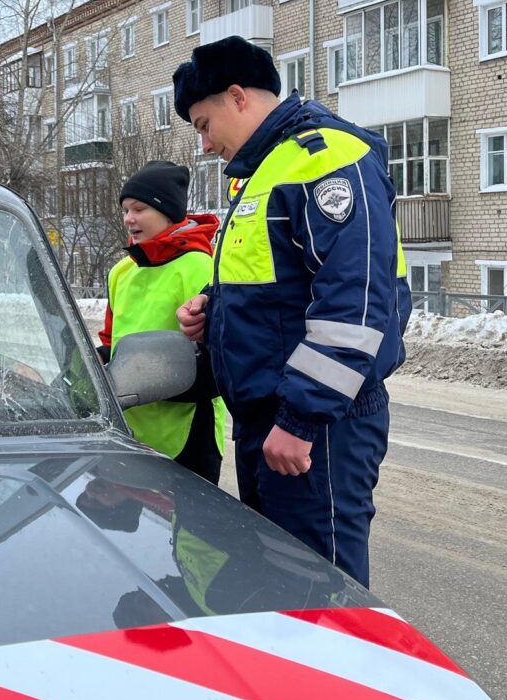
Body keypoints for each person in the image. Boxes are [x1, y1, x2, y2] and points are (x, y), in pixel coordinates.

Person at [173, 36, 411, 587]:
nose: (205, 144)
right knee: (280, 591)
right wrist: (216, 310)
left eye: (204, 124)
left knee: (321, 595)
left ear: (237, 97)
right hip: (273, 422)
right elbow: (286, 287)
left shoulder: (323, 159)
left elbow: (358, 301)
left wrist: (301, 419)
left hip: (318, 429)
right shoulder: (265, 170)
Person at [98, 161, 227, 481]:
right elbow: (111, 341)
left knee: (190, 532)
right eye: (126, 210)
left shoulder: (199, 266)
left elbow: (218, 361)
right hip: (130, 431)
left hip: (188, 434)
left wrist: (150, 381)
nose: (129, 219)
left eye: (139, 209)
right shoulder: (121, 272)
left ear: (167, 211)